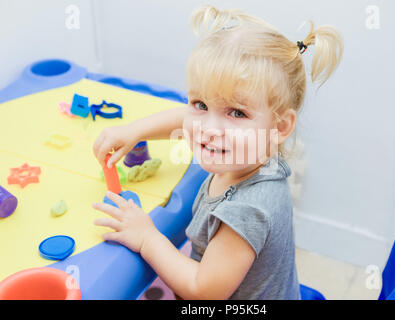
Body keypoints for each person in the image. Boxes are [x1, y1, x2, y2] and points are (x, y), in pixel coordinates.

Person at [91, 5, 343, 299]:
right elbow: (186, 121)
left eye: (236, 112)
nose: (209, 128)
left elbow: (203, 290)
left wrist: (147, 238)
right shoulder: (254, 155)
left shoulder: (247, 209)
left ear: (281, 126)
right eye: (201, 104)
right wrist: (134, 131)